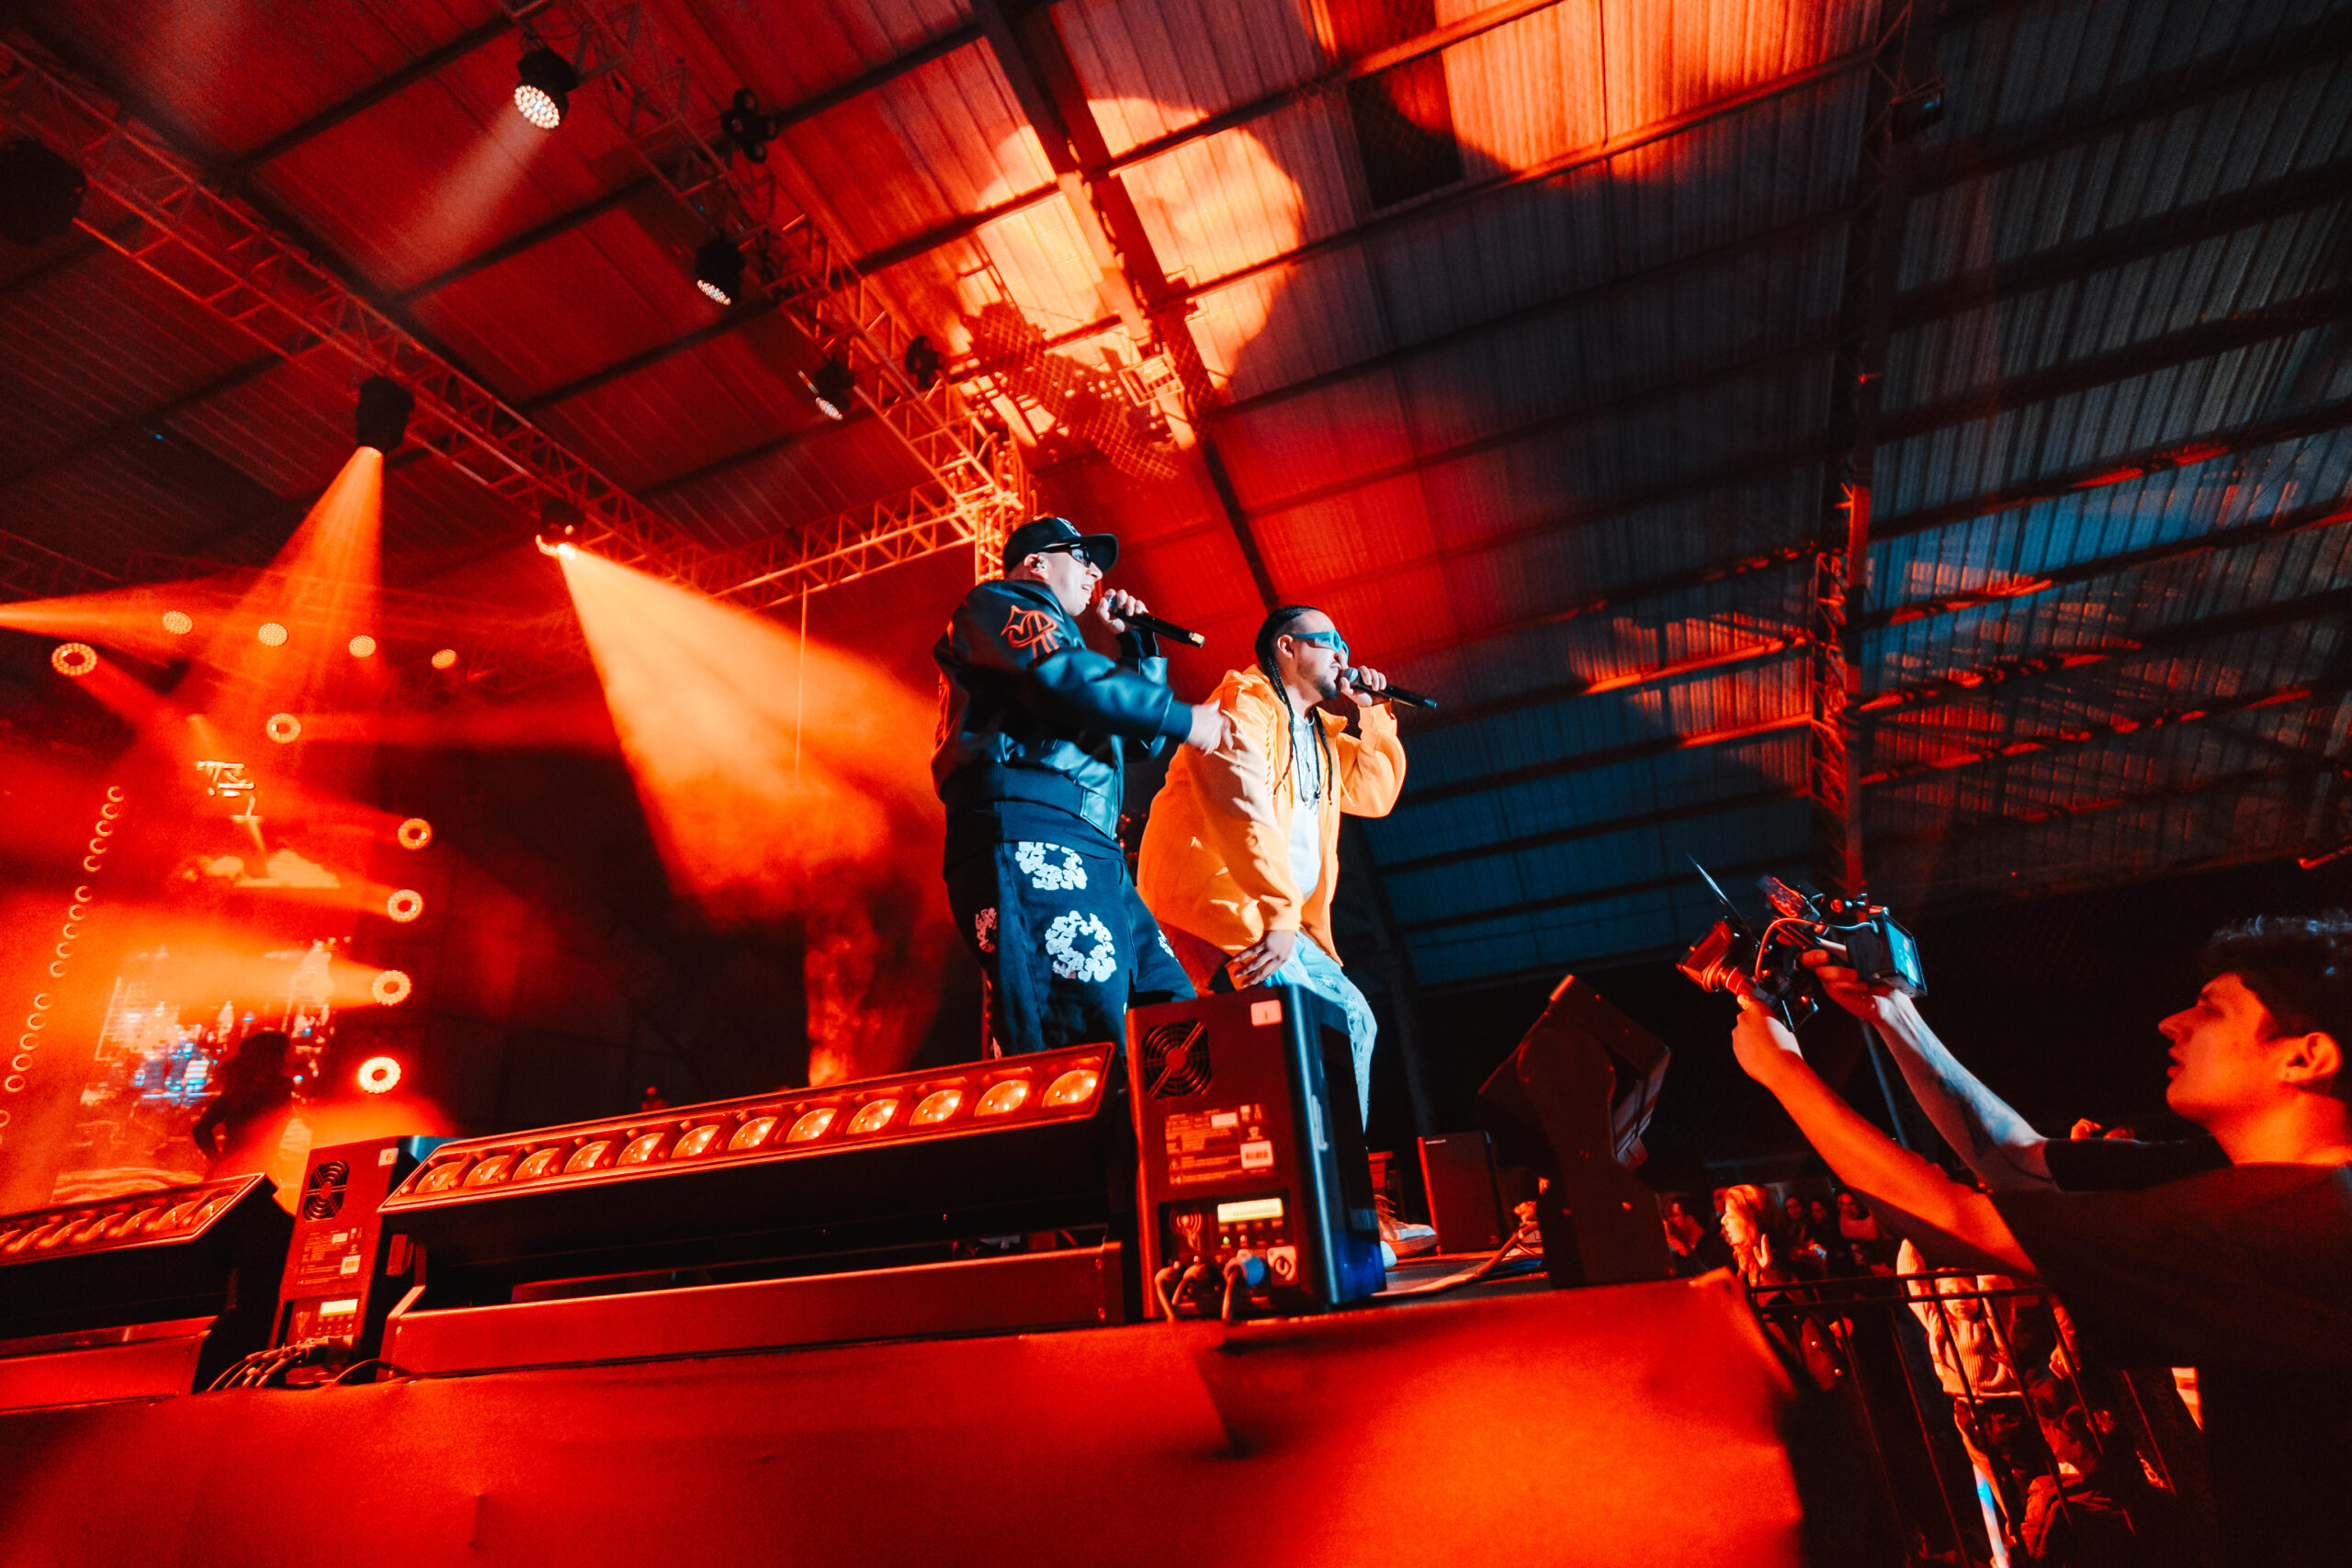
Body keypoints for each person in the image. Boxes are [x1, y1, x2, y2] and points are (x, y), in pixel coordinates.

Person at [1724, 913, 2352, 1565]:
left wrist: (1786, 1073)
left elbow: (1962, 1224)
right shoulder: (2256, 1180)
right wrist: (1892, 1013)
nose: (2172, 1022)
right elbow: (2018, 1160)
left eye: (2211, 1009)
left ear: (2304, 1057)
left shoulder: (2293, 1226)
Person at [933, 516, 1232, 1056]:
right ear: (1037, 563)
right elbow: (1063, 678)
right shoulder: (1002, 603)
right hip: (1031, 829)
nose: (1095, 572)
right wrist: (1185, 717)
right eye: (1082, 556)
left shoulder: (1062, 654)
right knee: (1080, 1021)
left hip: (1092, 848)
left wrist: (1138, 646)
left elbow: (1138, 741)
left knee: (1168, 1012)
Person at [1135, 605, 1406, 1120]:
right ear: (1287, 647)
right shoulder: (1243, 702)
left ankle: (1334, 1151)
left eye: (1345, 645)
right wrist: (1279, 915)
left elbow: (1375, 793)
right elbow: (1241, 806)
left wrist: (1373, 713)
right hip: (1221, 902)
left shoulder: (1320, 734)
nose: (1342, 654)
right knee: (1301, 1020)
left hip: (1278, 916)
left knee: (1356, 1021)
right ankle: (1305, 1147)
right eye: (1329, 641)